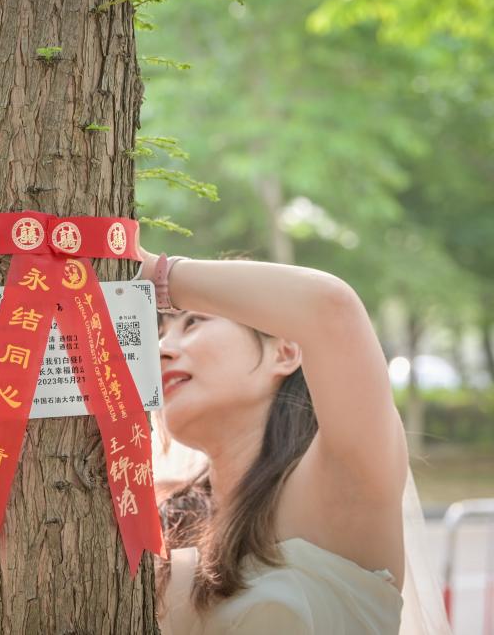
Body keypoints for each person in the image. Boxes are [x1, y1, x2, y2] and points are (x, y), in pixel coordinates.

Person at [140, 251, 451, 634]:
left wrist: (154, 273)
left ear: (285, 352)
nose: (162, 349)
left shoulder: (342, 478)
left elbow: (331, 310)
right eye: (160, 332)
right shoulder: (166, 517)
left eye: (193, 322)